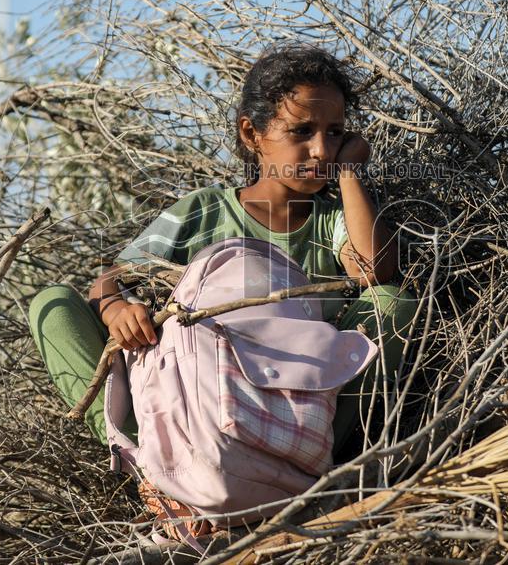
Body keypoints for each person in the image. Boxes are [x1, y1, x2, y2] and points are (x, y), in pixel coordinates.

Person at [29, 42, 417, 456]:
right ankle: (144, 461)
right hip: (192, 412)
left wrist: (350, 173)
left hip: (294, 417)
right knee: (52, 305)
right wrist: (118, 310)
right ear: (252, 134)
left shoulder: (332, 219)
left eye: (334, 133)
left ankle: (309, 462)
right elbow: (111, 282)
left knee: (391, 303)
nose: (321, 149)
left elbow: (372, 270)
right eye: (301, 131)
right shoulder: (205, 211)